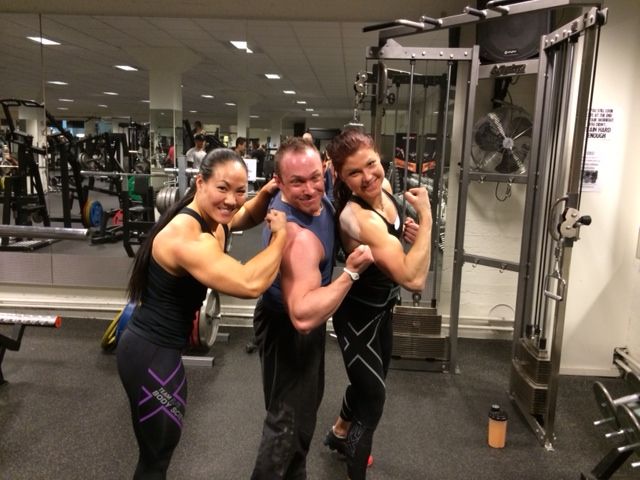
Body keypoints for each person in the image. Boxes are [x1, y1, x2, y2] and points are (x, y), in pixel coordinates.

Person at [117, 148, 287, 479]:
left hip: (158, 349)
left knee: (157, 453)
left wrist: (266, 193)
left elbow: (243, 215)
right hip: (150, 353)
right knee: (156, 457)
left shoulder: (211, 219)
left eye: (240, 190)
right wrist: (280, 236)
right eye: (223, 188)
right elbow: (250, 283)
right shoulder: (188, 235)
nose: (231, 200)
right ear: (200, 183)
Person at [251, 137, 374, 480]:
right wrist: (350, 273)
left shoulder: (322, 192)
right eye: (297, 182)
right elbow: (303, 318)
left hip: (304, 318)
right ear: (279, 182)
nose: (309, 189)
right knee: (286, 426)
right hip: (288, 328)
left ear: (325, 171)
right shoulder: (297, 238)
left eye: (315, 177)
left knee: (303, 416)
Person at [323, 129, 432, 480]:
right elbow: (414, 279)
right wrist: (427, 219)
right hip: (357, 319)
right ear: (341, 177)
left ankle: (339, 431)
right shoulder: (359, 217)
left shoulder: (383, 189)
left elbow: (395, 242)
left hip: (383, 311)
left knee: (370, 383)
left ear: (379, 157)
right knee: (372, 402)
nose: (368, 177)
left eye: (371, 164)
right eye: (354, 173)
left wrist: (407, 232)